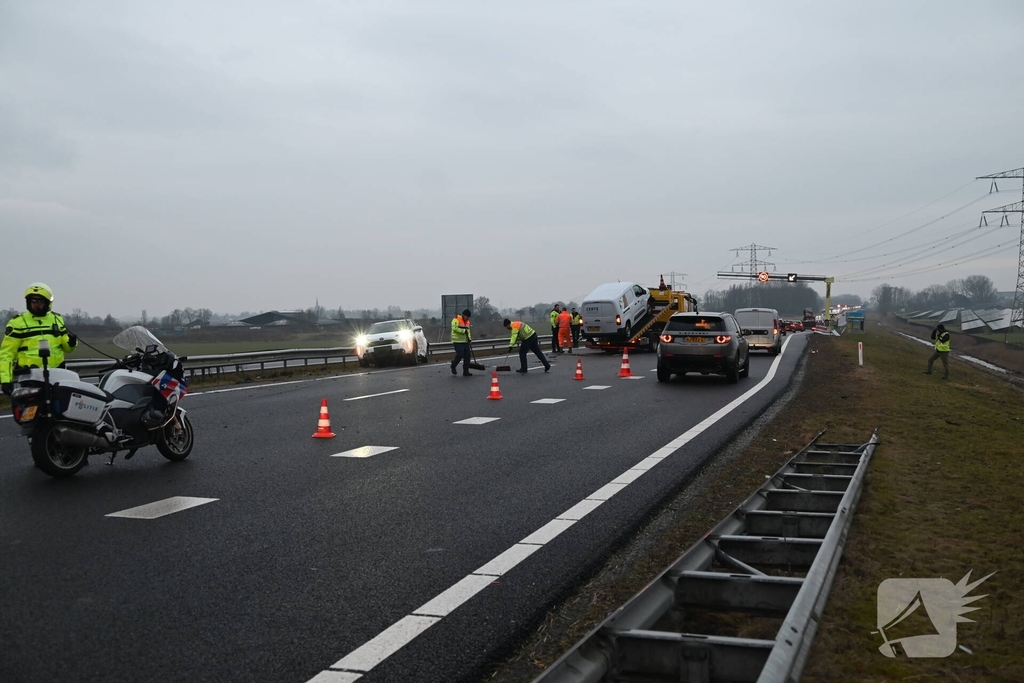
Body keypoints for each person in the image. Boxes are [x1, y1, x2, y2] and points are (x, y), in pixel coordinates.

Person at [1, 282, 78, 395]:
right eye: (33, 301)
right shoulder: (17, 322)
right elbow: (7, 354)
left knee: (61, 410)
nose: (37, 305)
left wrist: (71, 343)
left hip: (57, 374)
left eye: (40, 302)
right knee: (31, 409)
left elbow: (67, 348)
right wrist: (6, 380)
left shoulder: (56, 319)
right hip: (30, 377)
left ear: (48, 303)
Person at [450, 308, 474, 376]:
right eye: (467, 316)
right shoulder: (456, 319)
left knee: (467, 355)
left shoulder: (468, 322)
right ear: (463, 315)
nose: (467, 318)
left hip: (465, 341)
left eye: (468, 317)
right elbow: (454, 328)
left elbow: (468, 331)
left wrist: (469, 339)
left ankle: (466, 371)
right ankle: (453, 365)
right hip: (457, 341)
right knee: (460, 354)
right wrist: (463, 331)